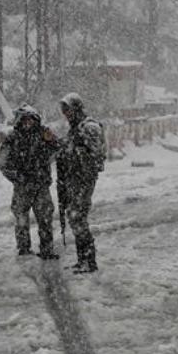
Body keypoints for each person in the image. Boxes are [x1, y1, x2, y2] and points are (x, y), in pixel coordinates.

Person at [0, 104, 60, 260]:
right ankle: (24, 249)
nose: (27, 123)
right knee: (21, 220)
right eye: (24, 119)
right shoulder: (13, 137)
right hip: (22, 187)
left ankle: (47, 249)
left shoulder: (43, 134)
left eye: (30, 119)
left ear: (35, 119)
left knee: (45, 219)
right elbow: (2, 162)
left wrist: (52, 141)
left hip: (41, 186)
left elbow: (58, 151)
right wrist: (18, 177)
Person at [56, 93, 106, 274]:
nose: (66, 114)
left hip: (84, 180)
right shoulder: (76, 128)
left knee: (78, 217)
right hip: (74, 180)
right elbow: (70, 150)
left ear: (76, 108)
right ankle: (82, 259)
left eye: (68, 109)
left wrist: (71, 151)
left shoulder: (89, 127)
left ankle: (89, 261)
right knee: (74, 217)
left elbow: (94, 156)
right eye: (64, 111)